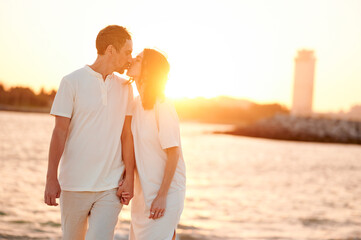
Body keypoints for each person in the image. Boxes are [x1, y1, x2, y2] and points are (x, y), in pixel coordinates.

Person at [44, 25, 135, 240]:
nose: (130, 59)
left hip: (110, 187)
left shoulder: (126, 88)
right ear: (111, 50)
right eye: (127, 52)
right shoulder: (71, 82)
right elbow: (59, 132)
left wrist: (129, 178)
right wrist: (51, 178)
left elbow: (127, 135)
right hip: (74, 184)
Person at [124, 48, 186, 240]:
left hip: (165, 193)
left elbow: (173, 153)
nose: (133, 59)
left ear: (148, 70)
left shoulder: (163, 105)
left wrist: (161, 196)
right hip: (143, 193)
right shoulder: (134, 104)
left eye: (139, 58)